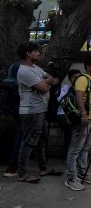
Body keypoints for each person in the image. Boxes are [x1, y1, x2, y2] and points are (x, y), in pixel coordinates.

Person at [15, 43, 59, 183]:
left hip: (40, 110)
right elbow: (44, 88)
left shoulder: (35, 68)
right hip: (31, 111)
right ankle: (22, 173)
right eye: (36, 51)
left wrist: (47, 81)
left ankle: (43, 168)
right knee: (29, 141)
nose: (39, 53)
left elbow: (54, 80)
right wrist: (47, 82)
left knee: (40, 141)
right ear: (28, 53)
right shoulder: (24, 71)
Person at [65, 55, 91, 191]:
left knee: (86, 147)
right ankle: (71, 177)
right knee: (75, 148)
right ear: (88, 66)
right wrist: (83, 114)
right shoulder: (82, 79)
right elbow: (79, 97)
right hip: (85, 118)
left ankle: (82, 172)